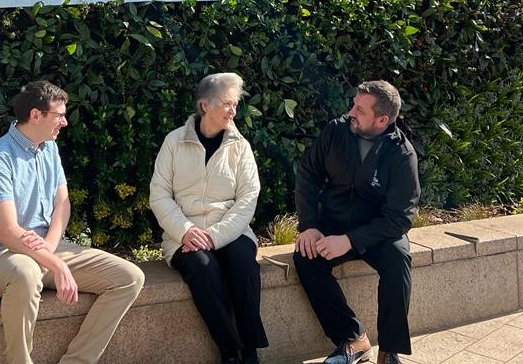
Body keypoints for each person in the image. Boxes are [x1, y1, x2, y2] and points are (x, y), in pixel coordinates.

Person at [0, 80, 145, 364]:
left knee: (129, 278)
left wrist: (50, 248)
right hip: (6, 256)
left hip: (49, 246)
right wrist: (54, 262)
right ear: (36, 115)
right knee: (26, 274)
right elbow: (6, 231)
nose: (65, 122)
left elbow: (62, 205)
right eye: (59, 115)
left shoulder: (49, 149)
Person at [293, 80, 420, 364]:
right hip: (334, 222)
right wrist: (309, 225)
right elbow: (308, 174)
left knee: (398, 259)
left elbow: (400, 217)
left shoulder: (402, 154)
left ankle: (389, 350)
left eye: (360, 110)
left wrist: (350, 241)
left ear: (382, 119)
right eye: (353, 104)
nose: (351, 112)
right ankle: (353, 338)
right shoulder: (335, 131)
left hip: (378, 230)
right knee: (305, 258)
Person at [149, 72, 268, 364]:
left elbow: (248, 198)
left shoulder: (240, 146)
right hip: (184, 235)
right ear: (205, 106)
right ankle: (230, 351)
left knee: (243, 261)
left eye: (235, 104)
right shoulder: (174, 141)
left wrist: (214, 237)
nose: (233, 111)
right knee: (203, 269)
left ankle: (250, 352)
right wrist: (187, 231)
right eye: (227, 104)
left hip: (230, 230)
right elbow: (159, 195)